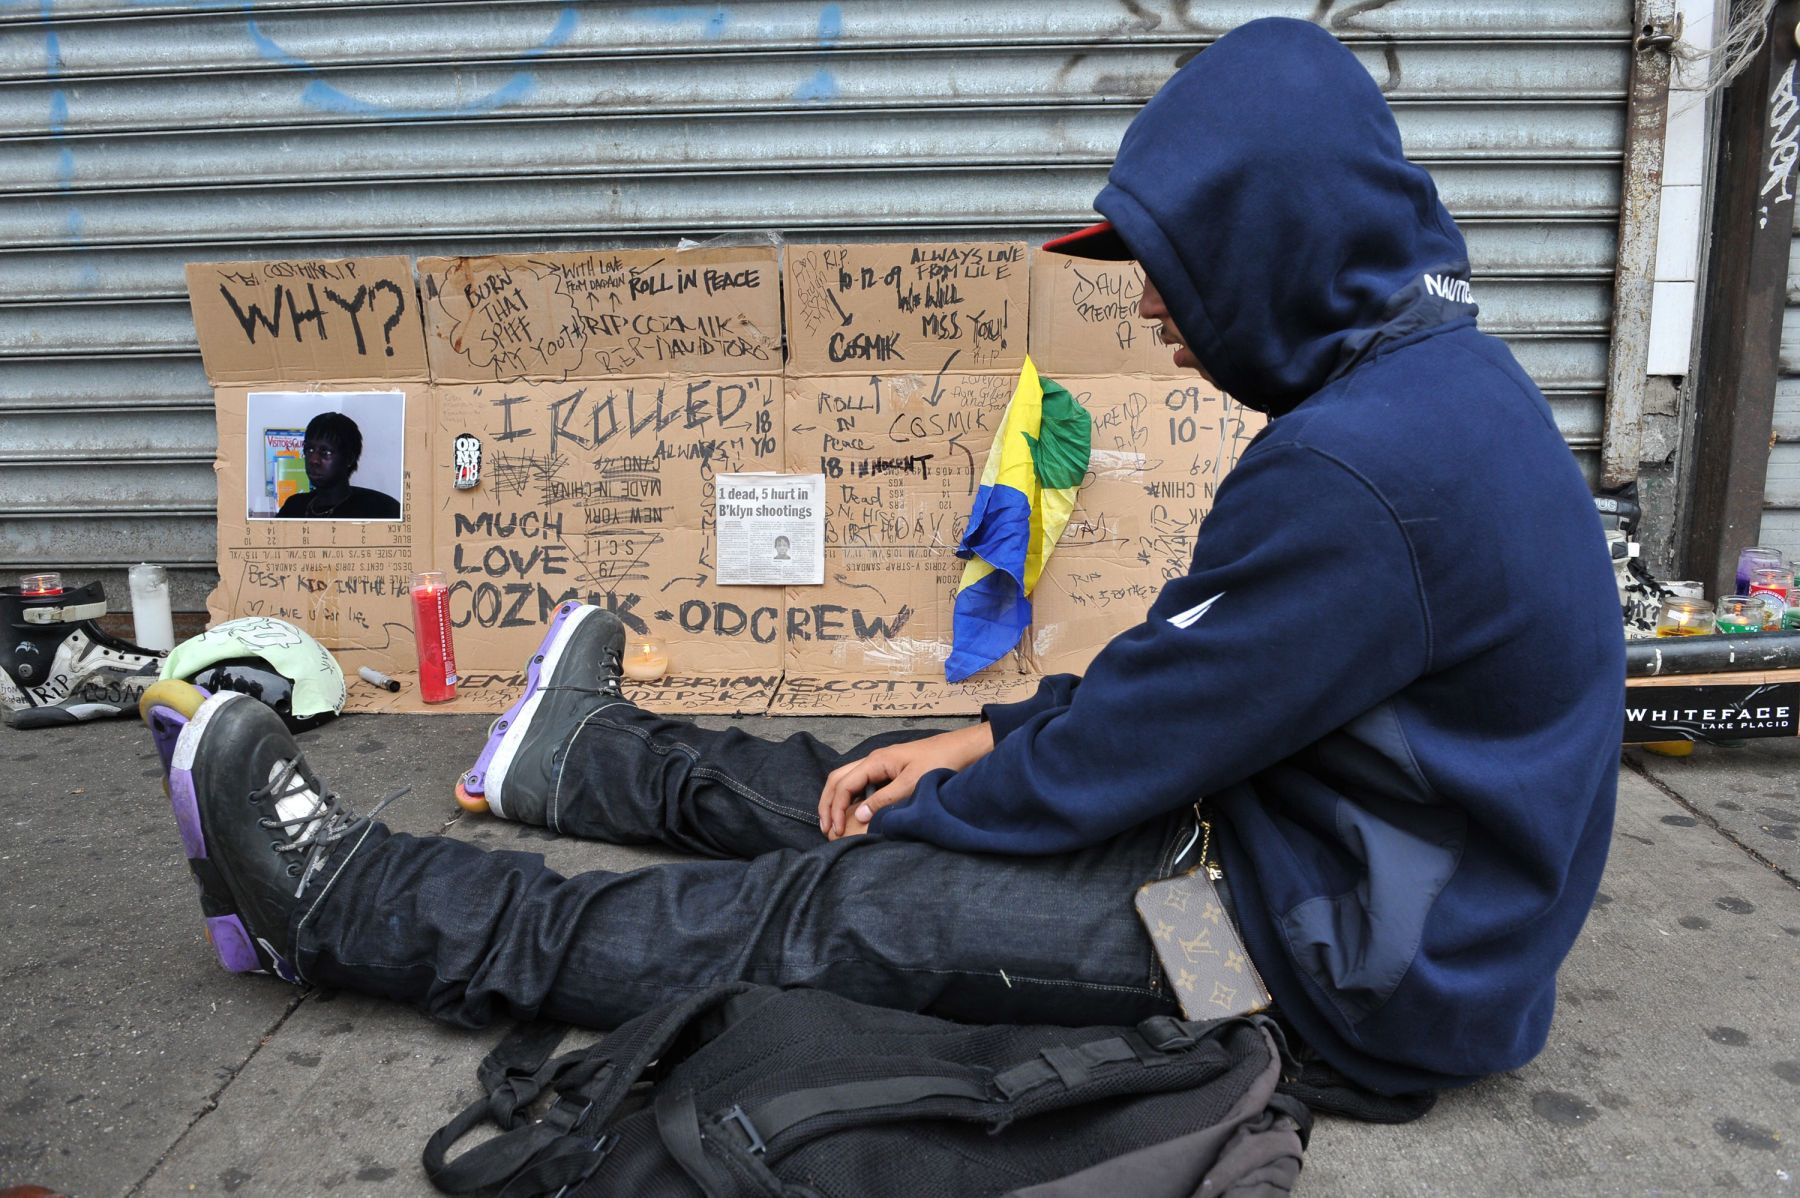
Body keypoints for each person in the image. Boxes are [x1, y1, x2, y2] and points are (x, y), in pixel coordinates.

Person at [148, 18, 1623, 1097]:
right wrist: (981, 736)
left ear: (1274, 242)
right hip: (1302, 857)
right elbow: (1195, 684)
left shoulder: (1366, 470)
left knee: (848, 902)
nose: (1158, 312)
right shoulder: (1419, 394)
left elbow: (1138, 740)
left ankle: (352, 907)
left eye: (1176, 272)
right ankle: (584, 752)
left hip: (1320, 972)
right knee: (894, 773)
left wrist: (981, 780)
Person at [275, 412, 400, 520]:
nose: (313, 460)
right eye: (310, 450)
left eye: (326, 453)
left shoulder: (377, 511)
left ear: (349, 459)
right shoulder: (294, 506)